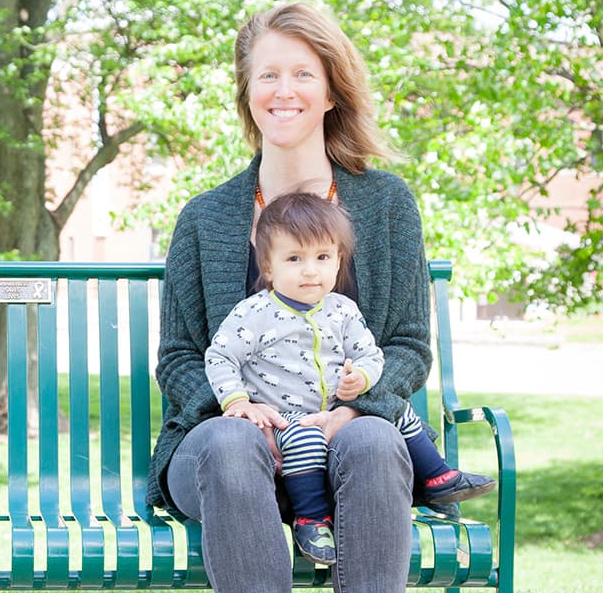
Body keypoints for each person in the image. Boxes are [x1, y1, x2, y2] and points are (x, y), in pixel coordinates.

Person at [148, 0, 443, 593]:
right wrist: (236, 408)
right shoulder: (206, 218)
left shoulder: (385, 206)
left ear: (332, 89)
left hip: (345, 451)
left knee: (380, 439)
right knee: (232, 443)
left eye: (301, 73)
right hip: (224, 456)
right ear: (247, 92)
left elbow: (409, 346)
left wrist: (354, 410)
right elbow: (177, 356)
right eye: (267, 73)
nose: (284, 89)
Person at [204, 192, 496, 567]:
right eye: (295, 259)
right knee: (304, 438)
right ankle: (311, 520)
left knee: (397, 409)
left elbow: (371, 355)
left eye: (323, 258)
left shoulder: (342, 310)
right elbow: (220, 356)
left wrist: (361, 378)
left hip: (339, 414)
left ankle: (438, 476)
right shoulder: (256, 313)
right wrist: (238, 402)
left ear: (338, 261)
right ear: (269, 267)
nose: (311, 271)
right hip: (285, 419)